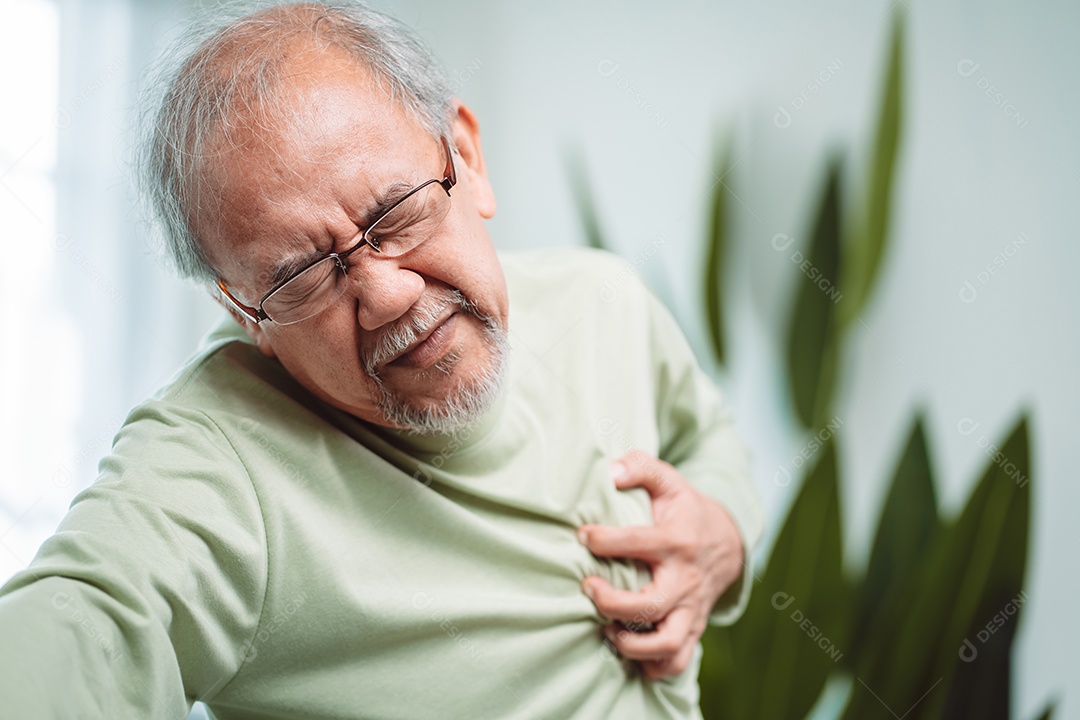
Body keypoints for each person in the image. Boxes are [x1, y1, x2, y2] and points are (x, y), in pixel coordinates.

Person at [0, 2, 762, 718]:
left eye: (395, 214)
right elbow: (83, 617)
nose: (388, 297)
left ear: (465, 153)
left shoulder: (605, 302)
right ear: (243, 313)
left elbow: (708, 438)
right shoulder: (216, 465)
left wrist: (720, 532)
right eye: (301, 276)